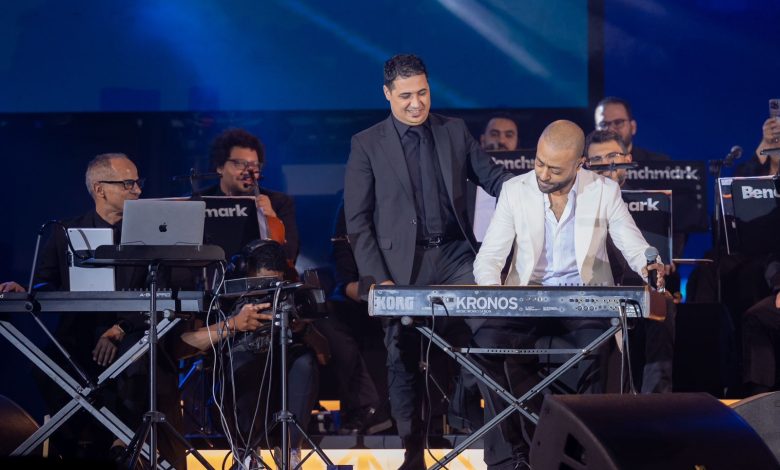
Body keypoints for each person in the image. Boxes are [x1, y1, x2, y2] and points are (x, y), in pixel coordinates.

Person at [344, 53, 512, 469]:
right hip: (402, 267)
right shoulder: (366, 144)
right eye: (406, 96)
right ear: (387, 94)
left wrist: (542, 186)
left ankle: (501, 445)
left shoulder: (454, 131)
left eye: (422, 92)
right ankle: (413, 452)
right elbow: (357, 221)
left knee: (492, 331)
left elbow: (495, 180)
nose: (416, 103)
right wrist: (376, 278)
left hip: (456, 256)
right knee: (401, 353)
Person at [473, 120, 664, 469]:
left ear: (580, 164)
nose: (543, 174)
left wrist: (650, 265)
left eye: (555, 169)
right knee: (484, 346)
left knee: (598, 348)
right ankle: (514, 452)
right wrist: (494, 297)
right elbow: (489, 259)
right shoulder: (515, 190)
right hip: (526, 299)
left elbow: (634, 245)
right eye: (539, 163)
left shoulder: (604, 191)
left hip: (585, 299)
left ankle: (585, 453)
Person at [0, 153, 188, 466]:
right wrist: (26, 290)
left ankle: (123, 442)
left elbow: (161, 292)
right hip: (80, 333)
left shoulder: (151, 234)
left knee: (137, 358)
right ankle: (77, 441)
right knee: (44, 366)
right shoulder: (65, 231)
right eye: (128, 183)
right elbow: (48, 282)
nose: (138, 190)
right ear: (100, 189)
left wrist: (120, 328)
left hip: (133, 330)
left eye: (137, 182)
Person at [181, 239, 318, 467]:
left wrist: (302, 327)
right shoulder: (223, 298)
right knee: (242, 363)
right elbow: (190, 341)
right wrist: (235, 323)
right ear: (245, 272)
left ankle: (291, 451)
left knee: (305, 362)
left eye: (274, 283)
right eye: (261, 283)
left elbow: (325, 354)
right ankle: (247, 454)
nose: (267, 290)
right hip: (242, 364)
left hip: (280, 370)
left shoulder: (289, 295)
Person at [585, 129, 676, 393]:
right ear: (586, 165)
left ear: (628, 158)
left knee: (663, 303)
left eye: (613, 156)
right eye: (597, 160)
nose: (606, 165)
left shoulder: (653, 201)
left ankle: (655, 399)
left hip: (640, 284)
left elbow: (653, 252)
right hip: (597, 287)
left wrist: (660, 267)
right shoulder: (578, 204)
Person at [195, 128, 299, 263]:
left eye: (255, 165)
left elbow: (290, 255)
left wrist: (272, 219)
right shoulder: (198, 202)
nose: (248, 171)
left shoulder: (279, 203)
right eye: (240, 164)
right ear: (220, 166)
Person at [594, 96, 670, 162]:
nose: (611, 130)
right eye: (603, 124)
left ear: (633, 127)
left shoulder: (658, 164)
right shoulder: (588, 166)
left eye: (618, 122)